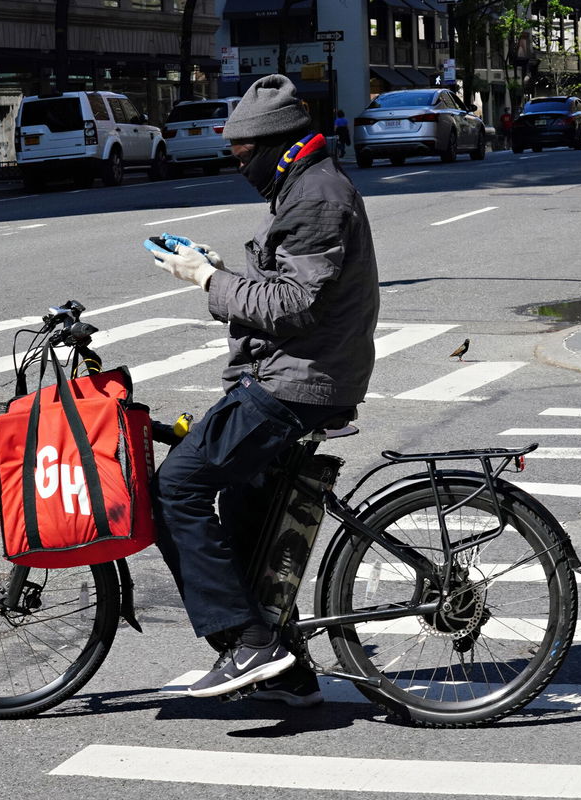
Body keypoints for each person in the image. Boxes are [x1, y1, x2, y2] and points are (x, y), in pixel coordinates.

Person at [147, 74, 380, 704]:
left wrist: (204, 280)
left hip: (298, 380)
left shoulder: (315, 198)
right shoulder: (302, 186)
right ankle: (288, 669)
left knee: (176, 487)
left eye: (242, 155)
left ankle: (247, 643)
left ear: (277, 145)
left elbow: (294, 305)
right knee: (244, 518)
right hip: (289, 372)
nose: (237, 164)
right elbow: (283, 289)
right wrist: (217, 270)